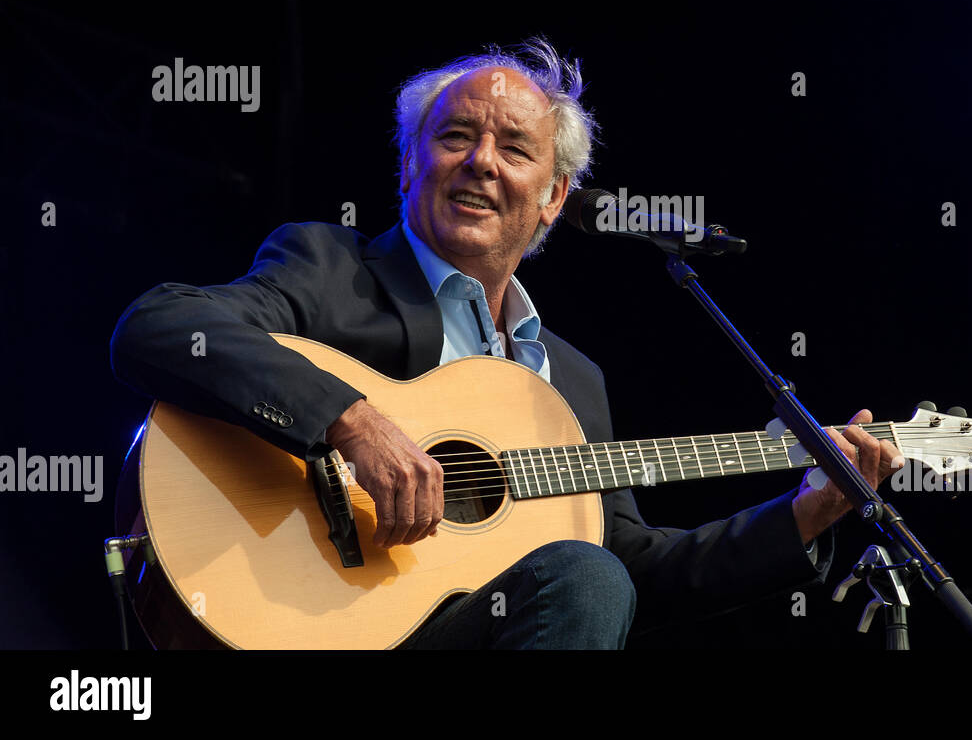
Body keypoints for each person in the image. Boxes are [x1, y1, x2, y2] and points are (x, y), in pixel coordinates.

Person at [111, 38, 900, 649]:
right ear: (410, 162)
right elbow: (161, 325)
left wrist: (805, 512)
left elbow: (625, 574)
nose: (480, 160)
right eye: (454, 135)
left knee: (590, 576)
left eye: (514, 149)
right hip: (309, 615)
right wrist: (351, 421)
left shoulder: (570, 379)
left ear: (556, 197)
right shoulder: (332, 268)